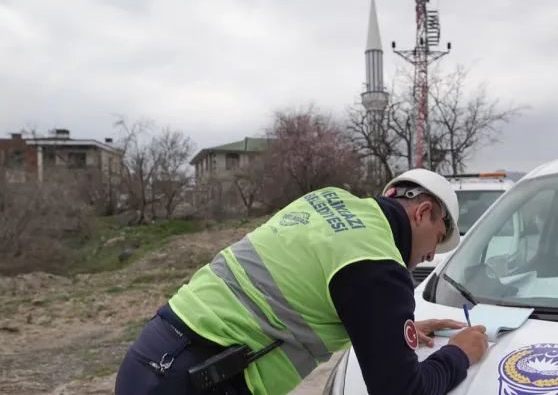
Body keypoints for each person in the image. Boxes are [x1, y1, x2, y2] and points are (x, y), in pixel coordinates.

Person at [114, 168, 490, 395]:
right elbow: (402, 391)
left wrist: (392, 328)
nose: (430, 256)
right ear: (423, 213)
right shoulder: (379, 262)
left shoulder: (327, 200)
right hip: (196, 381)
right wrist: (459, 352)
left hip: (154, 357)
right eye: (439, 239)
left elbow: (303, 290)